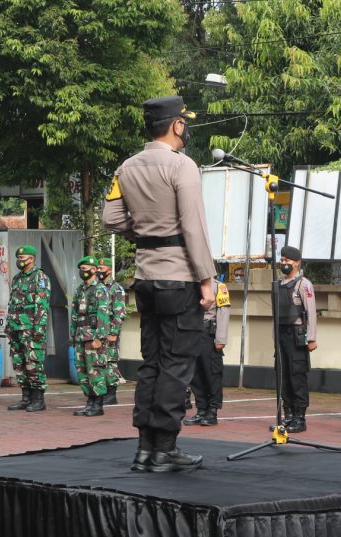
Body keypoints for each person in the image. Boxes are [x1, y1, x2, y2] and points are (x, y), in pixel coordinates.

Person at [104, 95, 216, 472]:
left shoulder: (126, 166)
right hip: (179, 278)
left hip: (145, 278)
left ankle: (145, 449)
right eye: (185, 122)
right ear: (177, 125)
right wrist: (207, 280)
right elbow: (193, 227)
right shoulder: (183, 166)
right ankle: (165, 449)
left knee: (152, 362)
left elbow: (111, 219)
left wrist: (145, 231)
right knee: (176, 364)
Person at [275, 246, 317, 433]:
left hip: (297, 335)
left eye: (287, 261)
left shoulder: (303, 284)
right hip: (281, 336)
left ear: (297, 263)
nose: (284, 263)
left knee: (297, 376)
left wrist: (311, 338)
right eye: (282, 260)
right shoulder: (278, 284)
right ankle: (288, 415)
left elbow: (311, 312)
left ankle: (300, 418)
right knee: (283, 377)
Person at [5, 245, 51, 412]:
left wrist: (38, 329)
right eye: (18, 258)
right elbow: (12, 304)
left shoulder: (40, 277)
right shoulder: (17, 278)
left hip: (31, 329)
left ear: (31, 259)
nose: (19, 261)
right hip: (16, 328)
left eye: (22, 258)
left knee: (33, 364)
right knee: (19, 364)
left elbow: (42, 305)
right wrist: (9, 326)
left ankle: (38, 399)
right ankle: (26, 398)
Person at [183, 279, 230, 427]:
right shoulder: (190, 283)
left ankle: (212, 411)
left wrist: (221, 338)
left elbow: (223, 312)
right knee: (195, 375)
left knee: (212, 374)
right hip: (191, 333)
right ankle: (201, 410)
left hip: (208, 334)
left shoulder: (218, 286)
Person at [70, 256, 111, 417]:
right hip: (80, 336)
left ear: (93, 270)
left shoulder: (100, 289)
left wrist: (99, 338)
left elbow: (103, 314)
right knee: (82, 371)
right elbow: (74, 314)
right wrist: (73, 336)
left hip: (93, 336)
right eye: (81, 269)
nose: (82, 272)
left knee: (95, 369)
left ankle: (98, 405)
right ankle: (89, 402)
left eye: (85, 269)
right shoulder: (80, 289)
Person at [98, 257, 126, 405]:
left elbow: (119, 313)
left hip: (109, 331)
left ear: (109, 270)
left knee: (110, 361)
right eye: (97, 268)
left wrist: (114, 332)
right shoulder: (96, 287)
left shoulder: (116, 289)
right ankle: (101, 390)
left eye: (101, 269)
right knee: (99, 361)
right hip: (97, 331)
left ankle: (111, 394)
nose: (98, 271)